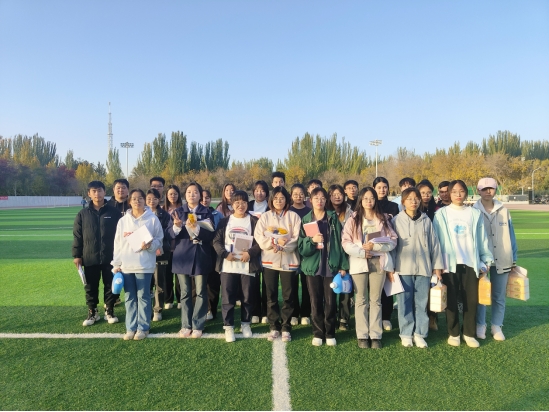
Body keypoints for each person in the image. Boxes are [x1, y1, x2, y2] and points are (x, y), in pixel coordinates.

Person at [433, 180, 494, 348]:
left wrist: (486, 260)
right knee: (451, 301)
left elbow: (482, 239)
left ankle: (469, 333)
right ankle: (453, 333)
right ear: (449, 194)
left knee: (471, 301)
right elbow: (436, 242)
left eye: (461, 191)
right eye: (454, 191)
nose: (458, 194)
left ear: (466, 193)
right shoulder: (441, 214)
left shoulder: (474, 214)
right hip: (448, 265)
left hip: (470, 263)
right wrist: (437, 265)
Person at [341, 187, 397, 349]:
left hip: (378, 261)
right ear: (360, 200)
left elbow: (393, 240)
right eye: (365, 198)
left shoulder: (383, 218)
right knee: (361, 299)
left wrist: (376, 246)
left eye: (371, 198)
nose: (368, 201)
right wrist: (361, 252)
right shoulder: (353, 219)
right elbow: (346, 242)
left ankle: (375, 335)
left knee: (375, 300)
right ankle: (362, 335)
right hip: (359, 262)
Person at [389, 187, 444, 348]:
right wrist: (390, 268)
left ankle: (420, 333)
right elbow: (392, 247)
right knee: (404, 303)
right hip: (402, 268)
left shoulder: (426, 220)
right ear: (403, 202)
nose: (413, 201)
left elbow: (435, 245)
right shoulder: (396, 221)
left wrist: (437, 267)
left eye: (416, 198)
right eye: (409, 199)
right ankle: (406, 334)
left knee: (421, 303)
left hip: (423, 268)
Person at [299, 187, 349, 346]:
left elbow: (341, 243)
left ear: (326, 200)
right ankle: (318, 333)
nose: (319, 201)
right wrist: (311, 241)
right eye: (316, 198)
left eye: (322, 198)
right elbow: (302, 248)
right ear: (310, 200)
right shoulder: (306, 220)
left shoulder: (333, 218)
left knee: (330, 301)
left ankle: (330, 333)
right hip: (313, 267)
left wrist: (343, 265)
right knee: (315, 301)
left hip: (331, 266)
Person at [112, 189, 164, 340]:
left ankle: (143, 328)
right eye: (134, 198)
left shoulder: (152, 219)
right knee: (129, 297)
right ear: (129, 201)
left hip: (144, 265)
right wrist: (116, 264)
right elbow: (118, 244)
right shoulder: (123, 221)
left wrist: (150, 245)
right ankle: (130, 328)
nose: (137, 201)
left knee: (143, 296)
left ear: (144, 200)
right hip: (127, 265)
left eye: (140, 198)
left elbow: (159, 239)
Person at [213, 190, 262, 342]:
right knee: (228, 297)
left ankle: (245, 324)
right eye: (237, 203)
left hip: (247, 265)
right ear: (232, 204)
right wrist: (225, 254)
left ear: (248, 204)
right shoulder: (225, 221)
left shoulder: (254, 221)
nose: (241, 205)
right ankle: (228, 327)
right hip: (228, 265)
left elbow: (261, 242)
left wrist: (250, 253)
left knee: (247, 296)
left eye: (244, 202)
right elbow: (216, 241)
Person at [473, 177, 518, 341]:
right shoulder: (473, 211)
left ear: (495, 189)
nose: (488, 191)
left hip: (502, 258)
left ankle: (496, 326)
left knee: (499, 296)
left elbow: (511, 235)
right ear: (478, 190)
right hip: (481, 260)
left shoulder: (504, 210)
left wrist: (514, 258)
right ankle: (480, 324)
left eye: (491, 188)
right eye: (484, 189)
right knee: (481, 295)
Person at [254, 186, 301, 342]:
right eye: (275, 198)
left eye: (282, 198)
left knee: (288, 296)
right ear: (271, 200)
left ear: (287, 199)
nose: (279, 201)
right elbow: (259, 236)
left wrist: (283, 246)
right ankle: (274, 326)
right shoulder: (265, 216)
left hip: (289, 261)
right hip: (270, 261)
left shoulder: (294, 216)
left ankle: (286, 326)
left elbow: (296, 238)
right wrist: (273, 243)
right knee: (271, 295)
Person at [169, 182, 215, 338]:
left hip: (200, 255)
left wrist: (197, 229)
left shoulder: (206, 212)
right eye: (189, 192)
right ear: (185, 195)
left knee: (201, 292)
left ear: (200, 195)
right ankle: (186, 325)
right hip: (182, 257)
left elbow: (211, 235)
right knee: (185, 292)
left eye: (195, 192)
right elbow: (169, 234)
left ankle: (198, 325)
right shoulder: (178, 212)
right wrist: (176, 226)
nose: (192, 194)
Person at [72, 181, 122, 326]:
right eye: (93, 191)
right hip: (89, 257)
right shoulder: (82, 214)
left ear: (104, 192)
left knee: (110, 285)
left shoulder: (114, 212)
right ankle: (92, 312)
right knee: (90, 286)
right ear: (89, 194)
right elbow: (78, 236)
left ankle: (109, 310)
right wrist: (77, 256)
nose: (97, 194)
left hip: (110, 257)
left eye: (99, 190)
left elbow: (121, 235)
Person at [373, 176, 399, 331]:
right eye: (379, 187)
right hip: (372, 251)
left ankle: (386, 317)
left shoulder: (394, 207)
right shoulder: (369, 205)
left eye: (384, 187)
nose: (382, 190)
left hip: (388, 249)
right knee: (374, 288)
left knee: (387, 285)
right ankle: (375, 316)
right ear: (374, 189)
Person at [327, 184, 353, 331]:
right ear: (329, 196)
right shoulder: (325, 212)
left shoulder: (350, 212)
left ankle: (344, 319)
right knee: (330, 290)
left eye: (340, 194)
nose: (337, 197)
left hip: (347, 254)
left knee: (345, 288)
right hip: (329, 256)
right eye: (334, 194)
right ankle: (330, 317)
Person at [145, 188, 172, 322]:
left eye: (155, 199)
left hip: (160, 253)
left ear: (159, 199)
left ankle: (158, 309)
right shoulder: (141, 214)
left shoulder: (165, 215)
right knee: (146, 284)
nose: (152, 201)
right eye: (149, 199)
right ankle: (146, 310)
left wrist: (158, 245)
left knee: (159, 283)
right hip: (144, 254)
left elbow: (167, 233)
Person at [247, 180, 270, 324]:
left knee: (267, 282)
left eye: (262, 190)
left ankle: (266, 312)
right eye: (256, 190)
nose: (259, 193)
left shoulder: (271, 207)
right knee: (253, 282)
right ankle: (255, 311)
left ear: (266, 193)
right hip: (252, 247)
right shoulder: (248, 205)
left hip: (267, 248)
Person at [289, 183, 312, 326]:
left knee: (306, 285)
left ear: (305, 195)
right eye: (295, 194)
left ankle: (305, 313)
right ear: (291, 195)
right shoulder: (288, 211)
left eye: (301, 194)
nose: (298, 196)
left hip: (306, 255)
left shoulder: (310, 212)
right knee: (291, 285)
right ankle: (293, 313)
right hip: (291, 253)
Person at [201, 189, 223, 321]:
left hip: (214, 252)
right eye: (202, 197)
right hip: (199, 252)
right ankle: (200, 310)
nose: (205, 200)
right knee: (199, 284)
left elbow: (221, 233)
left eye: (207, 197)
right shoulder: (194, 214)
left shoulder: (218, 214)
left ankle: (211, 309)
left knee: (213, 283)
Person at [163, 184, 183, 310]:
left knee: (179, 275)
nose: (173, 196)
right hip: (166, 247)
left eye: (175, 194)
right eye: (170, 194)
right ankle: (168, 299)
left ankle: (180, 299)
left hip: (180, 247)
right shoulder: (163, 210)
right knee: (167, 275)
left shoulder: (183, 209)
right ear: (166, 195)